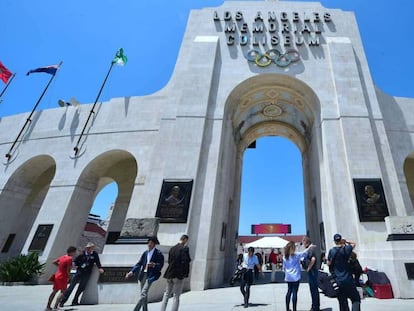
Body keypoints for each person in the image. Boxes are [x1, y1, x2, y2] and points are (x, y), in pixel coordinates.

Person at [125, 236, 164, 311]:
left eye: (151, 243)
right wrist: (131, 272)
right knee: (144, 296)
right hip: (143, 275)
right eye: (148, 243)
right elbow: (139, 264)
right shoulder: (145, 253)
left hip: (151, 276)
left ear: (154, 244)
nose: (149, 244)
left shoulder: (158, 253)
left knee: (143, 294)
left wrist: (154, 265)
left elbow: (161, 265)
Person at [59, 242, 104, 307]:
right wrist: (75, 265)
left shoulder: (94, 254)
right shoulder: (81, 254)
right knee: (71, 287)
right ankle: (62, 301)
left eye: (90, 248)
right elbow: (75, 262)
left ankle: (75, 301)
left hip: (87, 273)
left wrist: (100, 268)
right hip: (79, 272)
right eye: (87, 248)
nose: (89, 249)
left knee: (81, 288)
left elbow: (97, 262)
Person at [327, 234, 361, 311]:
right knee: (355, 299)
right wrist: (346, 241)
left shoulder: (332, 251)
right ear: (341, 240)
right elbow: (354, 244)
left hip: (338, 280)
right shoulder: (347, 249)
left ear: (335, 241)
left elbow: (328, 263)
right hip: (348, 279)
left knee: (342, 302)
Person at [160, 234, 191, 311]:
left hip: (170, 273)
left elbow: (170, 261)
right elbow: (185, 262)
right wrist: (185, 274)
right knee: (176, 296)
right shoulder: (184, 249)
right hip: (178, 275)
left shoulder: (172, 248)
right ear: (185, 240)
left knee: (166, 294)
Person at [283, 241, 315, 311]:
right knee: (294, 292)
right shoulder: (296, 255)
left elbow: (284, 268)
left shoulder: (285, 257)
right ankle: (294, 309)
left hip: (288, 277)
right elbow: (304, 253)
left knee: (289, 291)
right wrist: (309, 247)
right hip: (295, 276)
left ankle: (287, 308)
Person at [46, 246, 77, 310]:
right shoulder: (69, 259)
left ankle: (48, 306)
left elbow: (54, 261)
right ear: (72, 252)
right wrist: (69, 277)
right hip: (63, 276)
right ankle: (56, 306)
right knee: (63, 291)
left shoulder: (63, 257)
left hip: (57, 275)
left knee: (54, 291)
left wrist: (60, 266)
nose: (75, 253)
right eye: (74, 252)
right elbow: (68, 269)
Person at [302, 236, 320, 311]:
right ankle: (315, 305)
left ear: (307, 242)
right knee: (313, 289)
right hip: (312, 271)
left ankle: (315, 307)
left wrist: (308, 268)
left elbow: (313, 259)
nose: (303, 244)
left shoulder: (310, 249)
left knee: (313, 289)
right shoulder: (309, 249)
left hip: (312, 271)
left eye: (303, 242)